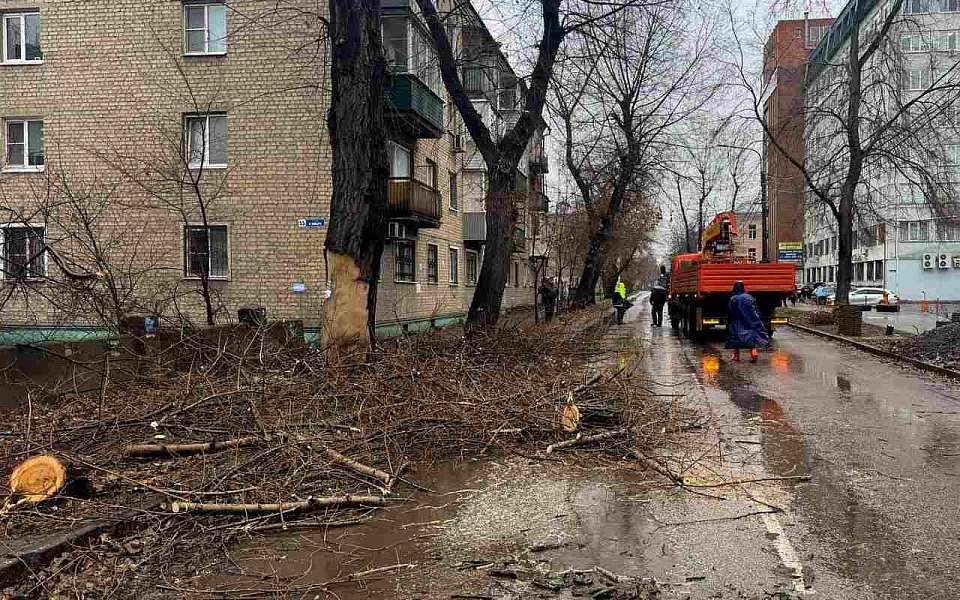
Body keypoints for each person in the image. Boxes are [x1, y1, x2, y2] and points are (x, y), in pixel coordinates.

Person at [725, 281, 770, 363]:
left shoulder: (733, 298)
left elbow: (730, 310)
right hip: (749, 320)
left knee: (736, 337)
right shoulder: (750, 297)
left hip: (737, 320)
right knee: (750, 336)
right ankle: (753, 352)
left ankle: (736, 356)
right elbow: (756, 309)